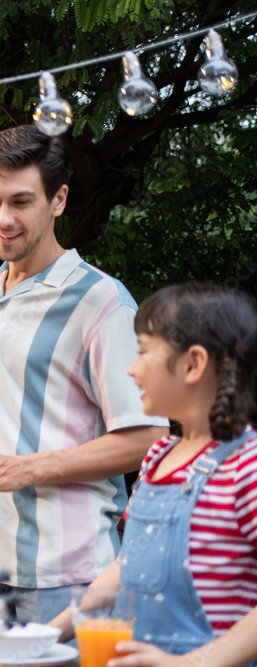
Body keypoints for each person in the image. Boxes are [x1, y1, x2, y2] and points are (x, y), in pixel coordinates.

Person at [0, 125, 167, 623]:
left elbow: (148, 436)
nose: (3, 218)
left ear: (58, 199)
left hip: (68, 578)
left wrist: (22, 469)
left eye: (21, 201)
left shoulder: (100, 301)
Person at [49, 284, 257, 667]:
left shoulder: (247, 465)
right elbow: (124, 566)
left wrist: (192, 662)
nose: (131, 367)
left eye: (143, 352)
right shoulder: (158, 456)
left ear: (193, 364)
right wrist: (48, 634)